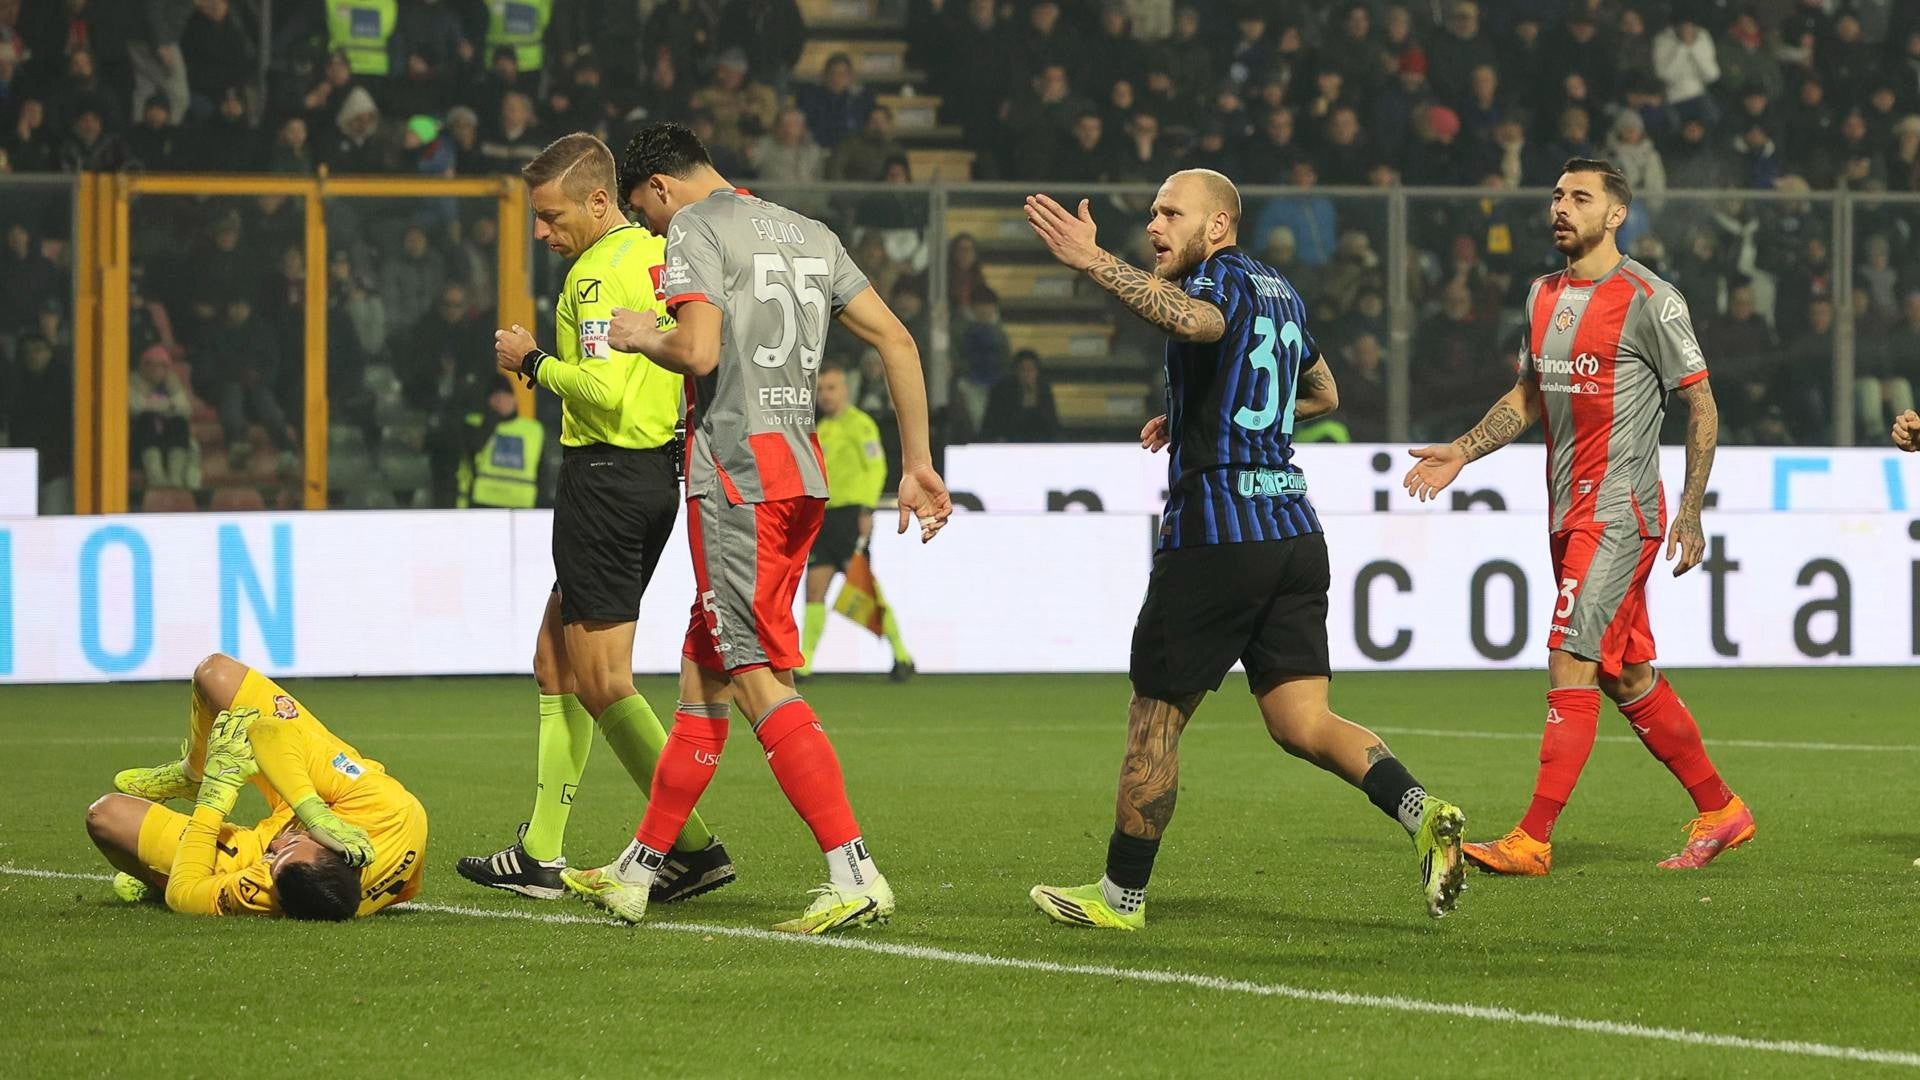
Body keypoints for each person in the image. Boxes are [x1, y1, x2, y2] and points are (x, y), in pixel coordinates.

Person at [1023, 170, 1469, 931]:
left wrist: (1095, 262)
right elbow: (1323, 391)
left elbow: (1197, 325)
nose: (1155, 225)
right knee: (1304, 722)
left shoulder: (1219, 280)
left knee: (1155, 717)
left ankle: (1121, 897)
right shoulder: (1282, 291)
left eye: (1173, 213)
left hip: (1217, 535)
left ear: (1220, 225)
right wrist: (1207, 410)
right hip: (1293, 531)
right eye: (1154, 213)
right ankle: (1421, 810)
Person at [550, 121, 952, 932]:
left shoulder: (697, 228)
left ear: (660, 188)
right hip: (798, 475)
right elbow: (897, 340)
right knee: (705, 681)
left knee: (761, 676)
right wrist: (918, 462)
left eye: (644, 212)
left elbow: (696, 353)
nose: (653, 230)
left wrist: (639, 334)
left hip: (735, 481)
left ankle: (854, 869)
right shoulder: (808, 232)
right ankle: (640, 867)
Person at [1404, 158, 1752, 876]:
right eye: (1557, 195)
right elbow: (1529, 395)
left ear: (1615, 214)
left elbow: (1702, 403)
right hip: (1568, 512)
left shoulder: (1653, 300)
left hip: (1620, 513)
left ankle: (1531, 838)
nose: (1561, 207)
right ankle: (1722, 811)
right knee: (1624, 674)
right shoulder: (1544, 294)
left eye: (1579, 197)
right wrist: (1463, 453)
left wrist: (1689, 510)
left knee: (1571, 656)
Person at [466, 134, 735, 905]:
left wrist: (528, 361)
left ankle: (687, 845)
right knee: (555, 660)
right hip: (649, 472)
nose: (543, 234)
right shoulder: (658, 254)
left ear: (597, 200)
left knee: (602, 678)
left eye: (551, 218)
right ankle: (540, 852)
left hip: (607, 476)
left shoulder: (593, 276)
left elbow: (603, 392)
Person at [88, 653, 428, 920]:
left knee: (106, 816)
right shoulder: (389, 810)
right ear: (343, 846)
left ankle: (154, 877)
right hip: (317, 787)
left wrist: (215, 796)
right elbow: (270, 732)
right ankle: (194, 772)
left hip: (263, 841)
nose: (278, 842)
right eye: (292, 844)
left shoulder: (275, 886)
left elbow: (184, 896)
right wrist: (313, 816)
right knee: (216, 674)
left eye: (274, 856)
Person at [797, 363, 915, 681]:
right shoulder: (821, 429)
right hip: (824, 518)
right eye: (820, 390)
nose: (825, 395)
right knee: (814, 589)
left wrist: (866, 509)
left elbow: (876, 467)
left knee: (864, 590)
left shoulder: (861, 425)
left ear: (846, 389)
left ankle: (902, 654)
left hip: (851, 516)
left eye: (831, 388)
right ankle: (804, 662)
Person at [458, 375, 546, 508]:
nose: (501, 400)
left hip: (523, 505)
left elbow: (543, 472)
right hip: (484, 502)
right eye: (495, 396)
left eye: (505, 395)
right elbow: (472, 450)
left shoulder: (533, 430)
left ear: (514, 398)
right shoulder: (475, 423)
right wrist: (491, 419)